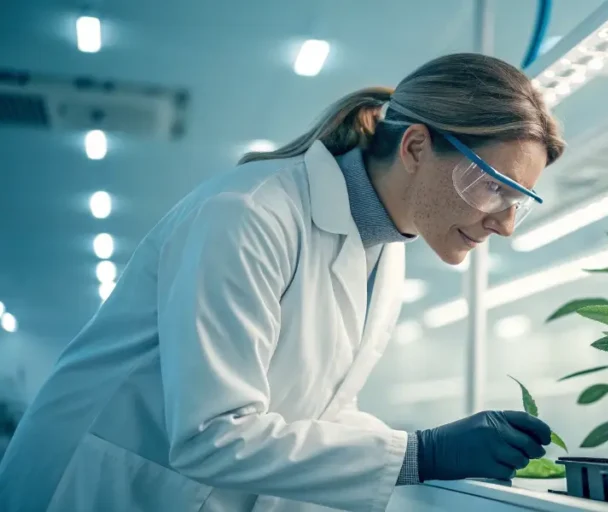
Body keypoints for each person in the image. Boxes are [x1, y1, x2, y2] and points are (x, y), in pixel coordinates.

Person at [0, 53, 566, 511]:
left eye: (518, 200)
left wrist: (421, 450)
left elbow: (317, 413)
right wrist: (420, 453)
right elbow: (210, 434)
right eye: (493, 185)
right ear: (415, 147)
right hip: (90, 489)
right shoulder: (247, 213)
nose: (505, 224)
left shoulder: (383, 249)